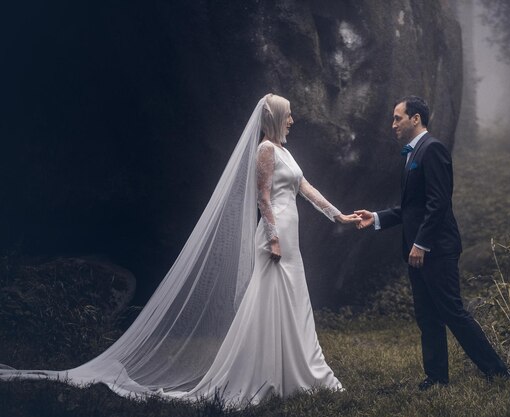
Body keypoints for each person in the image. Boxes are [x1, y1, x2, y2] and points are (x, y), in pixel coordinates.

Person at [0, 94, 359, 407]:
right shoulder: (265, 150)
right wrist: (273, 235)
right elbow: (262, 196)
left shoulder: (285, 151)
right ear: (275, 117)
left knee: (292, 297)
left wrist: (338, 215)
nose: (294, 119)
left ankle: (296, 370)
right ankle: (269, 374)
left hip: (290, 231)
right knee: (269, 299)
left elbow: (305, 187)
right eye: (289, 114)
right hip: (276, 231)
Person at [355, 95, 509, 390]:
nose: (393, 124)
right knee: (427, 316)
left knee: (452, 311)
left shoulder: (433, 149)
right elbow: (412, 208)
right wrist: (375, 217)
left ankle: (497, 372)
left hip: (436, 249)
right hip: (418, 251)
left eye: (398, 118)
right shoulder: (412, 154)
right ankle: (437, 377)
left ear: (416, 119)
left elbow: (438, 203)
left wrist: (422, 244)